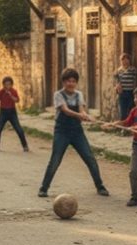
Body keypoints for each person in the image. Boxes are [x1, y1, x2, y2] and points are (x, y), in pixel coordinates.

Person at [38, 68, 108, 198]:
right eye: (68, 81)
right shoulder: (58, 94)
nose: (71, 84)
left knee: (90, 158)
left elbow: (81, 109)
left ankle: (100, 186)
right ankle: (44, 188)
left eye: (73, 81)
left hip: (77, 132)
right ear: (63, 82)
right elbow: (65, 110)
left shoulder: (79, 94)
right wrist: (80, 116)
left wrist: (85, 115)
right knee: (55, 160)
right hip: (62, 131)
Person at [0, 76, 29, 152]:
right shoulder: (1, 92)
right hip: (3, 112)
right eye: (6, 85)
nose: (7, 86)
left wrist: (11, 95)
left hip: (12, 112)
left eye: (9, 84)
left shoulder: (13, 91)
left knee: (19, 129)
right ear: (3, 85)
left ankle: (25, 146)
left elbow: (17, 100)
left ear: (12, 85)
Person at [114, 53, 137, 120]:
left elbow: (135, 80)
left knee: (131, 109)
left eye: (126, 60)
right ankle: (123, 124)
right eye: (123, 60)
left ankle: (130, 123)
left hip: (131, 92)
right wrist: (117, 87)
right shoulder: (118, 70)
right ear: (121, 61)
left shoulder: (133, 70)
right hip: (122, 93)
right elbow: (116, 80)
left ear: (129, 61)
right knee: (123, 110)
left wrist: (135, 91)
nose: (125, 62)